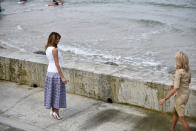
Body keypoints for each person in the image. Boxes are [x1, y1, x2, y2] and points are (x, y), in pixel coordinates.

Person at [160, 51, 191, 131]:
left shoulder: (178, 72)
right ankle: (172, 129)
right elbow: (187, 82)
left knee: (182, 118)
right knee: (175, 112)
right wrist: (175, 85)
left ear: (178, 61)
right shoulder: (188, 71)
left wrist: (165, 99)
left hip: (180, 97)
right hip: (186, 95)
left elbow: (176, 89)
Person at [44, 32, 67, 120]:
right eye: (57, 39)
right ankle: (56, 113)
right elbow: (57, 64)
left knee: (52, 93)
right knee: (57, 94)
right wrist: (62, 77)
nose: (58, 41)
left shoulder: (47, 48)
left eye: (59, 39)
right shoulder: (54, 50)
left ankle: (53, 110)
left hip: (49, 73)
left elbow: (52, 62)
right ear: (52, 39)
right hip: (56, 74)